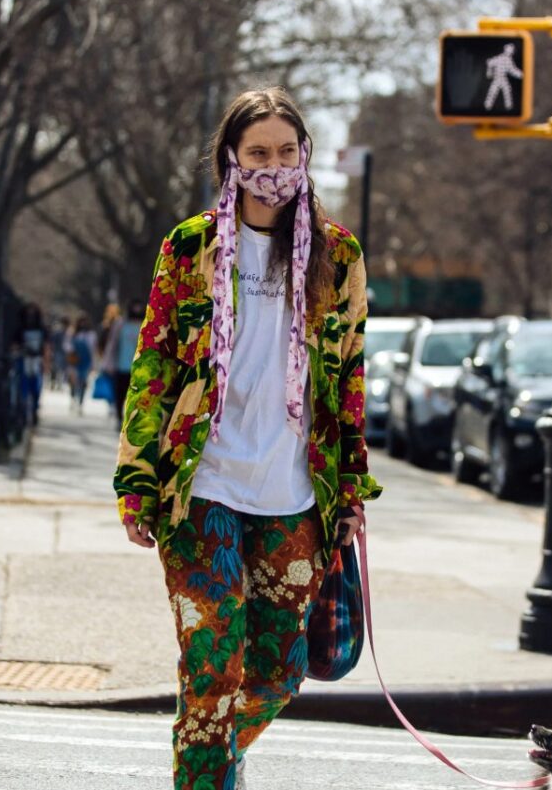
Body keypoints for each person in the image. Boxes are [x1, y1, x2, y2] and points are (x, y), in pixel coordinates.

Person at [114, 87, 381, 790]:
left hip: (294, 493)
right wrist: (136, 478)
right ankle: (206, 773)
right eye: (258, 151)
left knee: (277, 669)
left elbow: (350, 377)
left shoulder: (339, 255)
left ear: (305, 157)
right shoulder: (191, 247)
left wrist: (350, 486)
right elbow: (155, 367)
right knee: (212, 670)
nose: (274, 165)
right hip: (202, 485)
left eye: (287, 151)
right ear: (230, 157)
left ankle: (212, 759)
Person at [102, 299, 146, 428]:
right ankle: (119, 418)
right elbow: (112, 343)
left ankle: (132, 420)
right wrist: (108, 362)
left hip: (140, 367)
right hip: (121, 366)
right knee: (120, 394)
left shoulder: (146, 323)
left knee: (136, 396)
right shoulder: (120, 324)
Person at [12, 302, 48, 426]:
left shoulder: (42, 328)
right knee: (23, 388)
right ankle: (22, 414)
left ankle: (34, 411)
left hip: (37, 361)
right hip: (24, 361)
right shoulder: (20, 328)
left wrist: (46, 362)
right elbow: (14, 345)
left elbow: (47, 347)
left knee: (36, 388)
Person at [67, 314, 96, 414]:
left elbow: (92, 350)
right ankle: (73, 398)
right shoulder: (73, 333)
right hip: (74, 361)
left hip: (85, 361)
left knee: (83, 383)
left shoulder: (91, 334)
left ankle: (80, 403)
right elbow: (67, 346)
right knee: (73, 382)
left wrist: (93, 363)